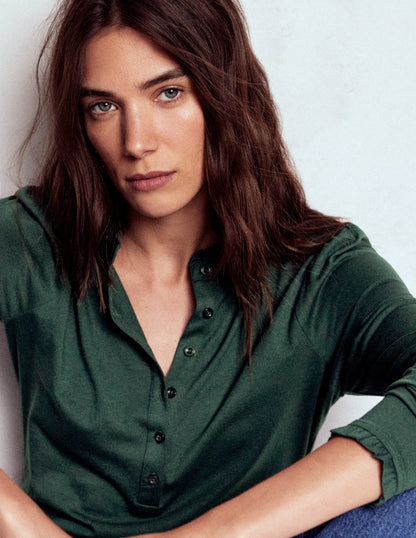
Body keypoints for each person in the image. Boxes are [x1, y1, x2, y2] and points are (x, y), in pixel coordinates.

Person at [0, 0, 415, 536]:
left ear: (226, 93)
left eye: (168, 93)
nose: (137, 142)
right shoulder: (32, 239)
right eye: (103, 106)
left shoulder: (319, 272)